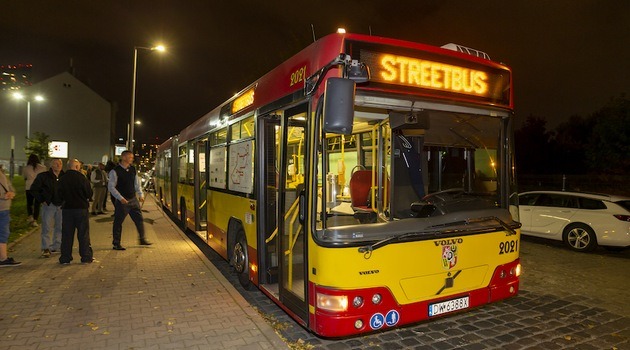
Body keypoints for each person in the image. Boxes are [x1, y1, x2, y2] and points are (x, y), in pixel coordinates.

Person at [108, 150, 152, 250]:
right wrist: (120, 198)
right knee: (118, 222)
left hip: (133, 199)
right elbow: (111, 187)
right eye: (130, 157)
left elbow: (137, 183)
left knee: (139, 220)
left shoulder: (132, 169)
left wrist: (140, 194)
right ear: (123, 158)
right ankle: (116, 243)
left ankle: (142, 239)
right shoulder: (115, 171)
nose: (132, 159)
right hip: (122, 201)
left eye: (132, 157)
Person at [58, 159, 93, 264]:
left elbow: (58, 194)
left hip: (67, 209)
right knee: (83, 234)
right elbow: (89, 193)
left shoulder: (62, 179)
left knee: (67, 234)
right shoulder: (82, 178)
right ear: (77, 167)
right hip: (81, 209)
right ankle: (86, 257)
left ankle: (65, 257)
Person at [31, 158, 64, 258]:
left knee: (60, 227)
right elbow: (34, 189)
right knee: (46, 227)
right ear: (51, 165)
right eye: (55, 164)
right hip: (49, 205)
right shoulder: (43, 176)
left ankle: (57, 246)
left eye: (59, 164)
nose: (58, 165)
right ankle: (45, 247)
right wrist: (42, 199)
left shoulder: (64, 176)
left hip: (61, 205)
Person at [0, 169, 21, 266]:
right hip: (2, 208)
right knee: (3, 233)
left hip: (5, 209)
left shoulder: (2, 173)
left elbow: (10, 188)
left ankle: (3, 258)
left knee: (4, 233)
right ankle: (3, 258)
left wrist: (11, 193)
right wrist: (2, 196)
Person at [22, 154, 47, 227]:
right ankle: (35, 220)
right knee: (37, 204)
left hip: (29, 187)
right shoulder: (42, 168)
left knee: (29, 203)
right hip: (38, 188)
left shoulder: (26, 168)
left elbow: (25, 177)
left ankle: (30, 216)